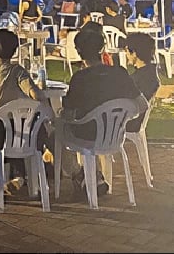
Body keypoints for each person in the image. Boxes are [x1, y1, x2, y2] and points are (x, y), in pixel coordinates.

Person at [59, 23, 147, 195]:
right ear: (101, 49)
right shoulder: (120, 73)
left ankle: (81, 174)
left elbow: (69, 113)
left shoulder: (79, 78)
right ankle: (93, 177)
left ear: (79, 51)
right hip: (115, 136)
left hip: (87, 135)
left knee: (55, 131)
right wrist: (123, 117)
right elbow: (142, 104)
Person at [0, 28, 49, 196]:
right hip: (10, 133)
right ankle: (23, 174)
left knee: (20, 126)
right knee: (31, 127)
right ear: (14, 50)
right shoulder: (17, 71)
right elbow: (35, 94)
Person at [124, 32, 160, 134]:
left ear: (134, 53)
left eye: (127, 51)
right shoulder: (149, 73)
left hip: (128, 122)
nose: (126, 55)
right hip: (131, 119)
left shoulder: (141, 78)